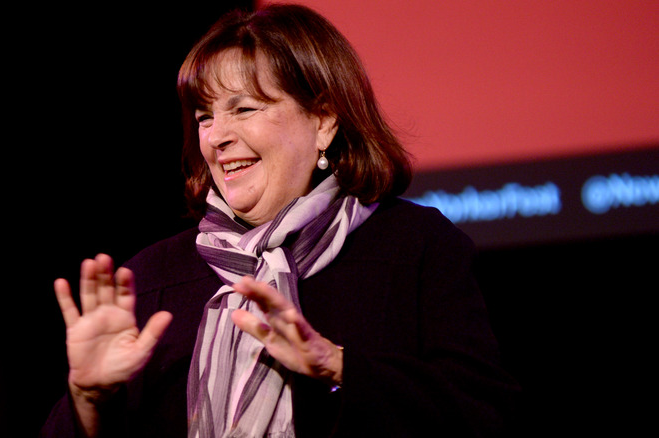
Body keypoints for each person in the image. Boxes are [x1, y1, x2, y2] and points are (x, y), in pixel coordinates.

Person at [41, 3, 519, 437]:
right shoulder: (150, 278)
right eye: (205, 116)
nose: (216, 138)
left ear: (324, 121)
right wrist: (87, 401)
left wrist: (336, 369)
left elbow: (485, 416)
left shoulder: (415, 246)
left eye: (244, 109)